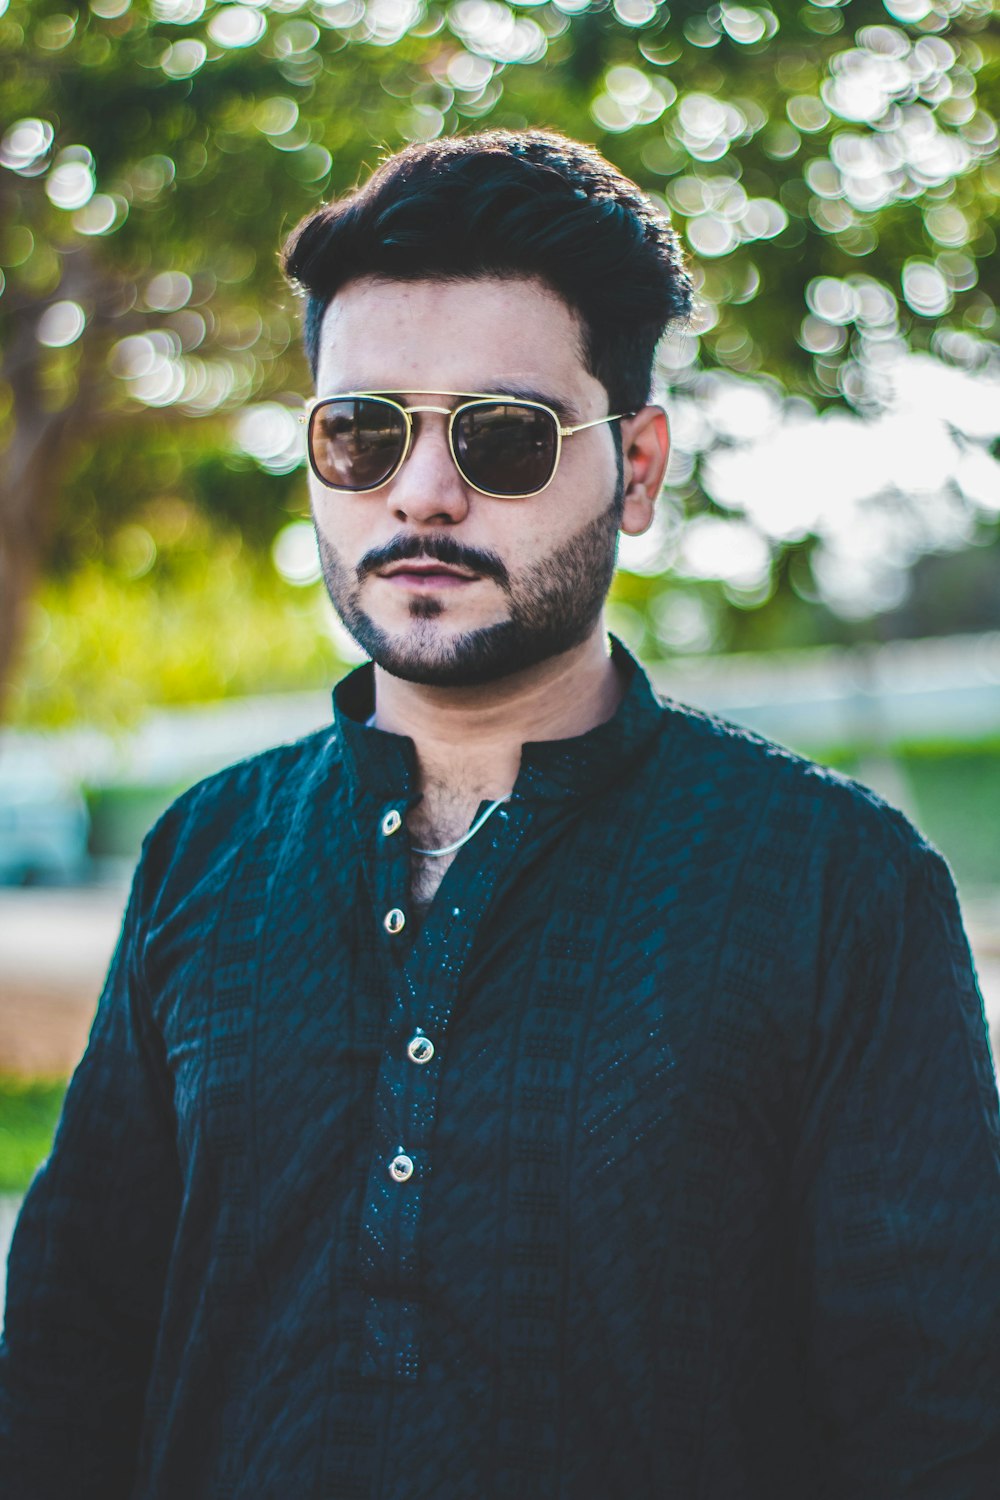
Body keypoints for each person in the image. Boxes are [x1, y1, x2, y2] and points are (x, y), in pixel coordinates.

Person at [1, 128, 998, 1500]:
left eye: (505, 434)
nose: (421, 489)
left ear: (638, 469)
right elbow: (66, 1365)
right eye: (362, 431)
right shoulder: (205, 853)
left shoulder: (838, 886)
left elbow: (940, 1421)